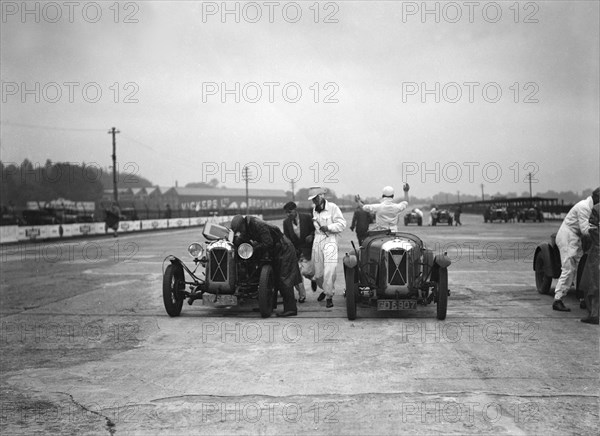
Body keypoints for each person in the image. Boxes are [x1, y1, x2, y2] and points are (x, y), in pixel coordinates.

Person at [230, 215, 301, 317]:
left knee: (285, 279)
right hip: (276, 250)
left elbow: (268, 243)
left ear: (243, 224)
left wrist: (253, 248)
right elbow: (241, 239)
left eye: (240, 230)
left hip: (284, 248)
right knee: (273, 279)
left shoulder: (257, 225)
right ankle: (267, 305)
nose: (240, 232)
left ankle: (291, 309)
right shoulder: (246, 227)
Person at [552, 188, 600, 312]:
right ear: (597, 198)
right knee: (568, 269)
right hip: (567, 237)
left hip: (574, 237)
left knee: (581, 268)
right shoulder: (584, 207)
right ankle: (558, 300)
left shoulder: (590, 206)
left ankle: (583, 298)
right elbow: (585, 230)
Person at [309, 187, 346, 308]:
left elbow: (342, 224)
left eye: (315, 198)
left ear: (321, 196)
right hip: (318, 240)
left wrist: (329, 227)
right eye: (312, 199)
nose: (314, 201)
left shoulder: (333, 208)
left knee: (330, 269)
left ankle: (329, 296)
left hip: (330, 239)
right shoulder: (314, 209)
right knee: (318, 272)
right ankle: (325, 290)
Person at [282, 201, 317, 303]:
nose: (289, 214)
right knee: (296, 275)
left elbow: (315, 229)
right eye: (287, 213)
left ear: (295, 210)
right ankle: (302, 296)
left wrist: (312, 236)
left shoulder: (306, 218)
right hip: (295, 251)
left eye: (290, 212)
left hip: (307, 249)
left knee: (307, 272)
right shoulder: (286, 223)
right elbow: (287, 238)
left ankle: (313, 279)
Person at [579, 203, 599, 324]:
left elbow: (590, 230)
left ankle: (594, 314)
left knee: (594, 285)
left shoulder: (596, 209)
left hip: (597, 254)